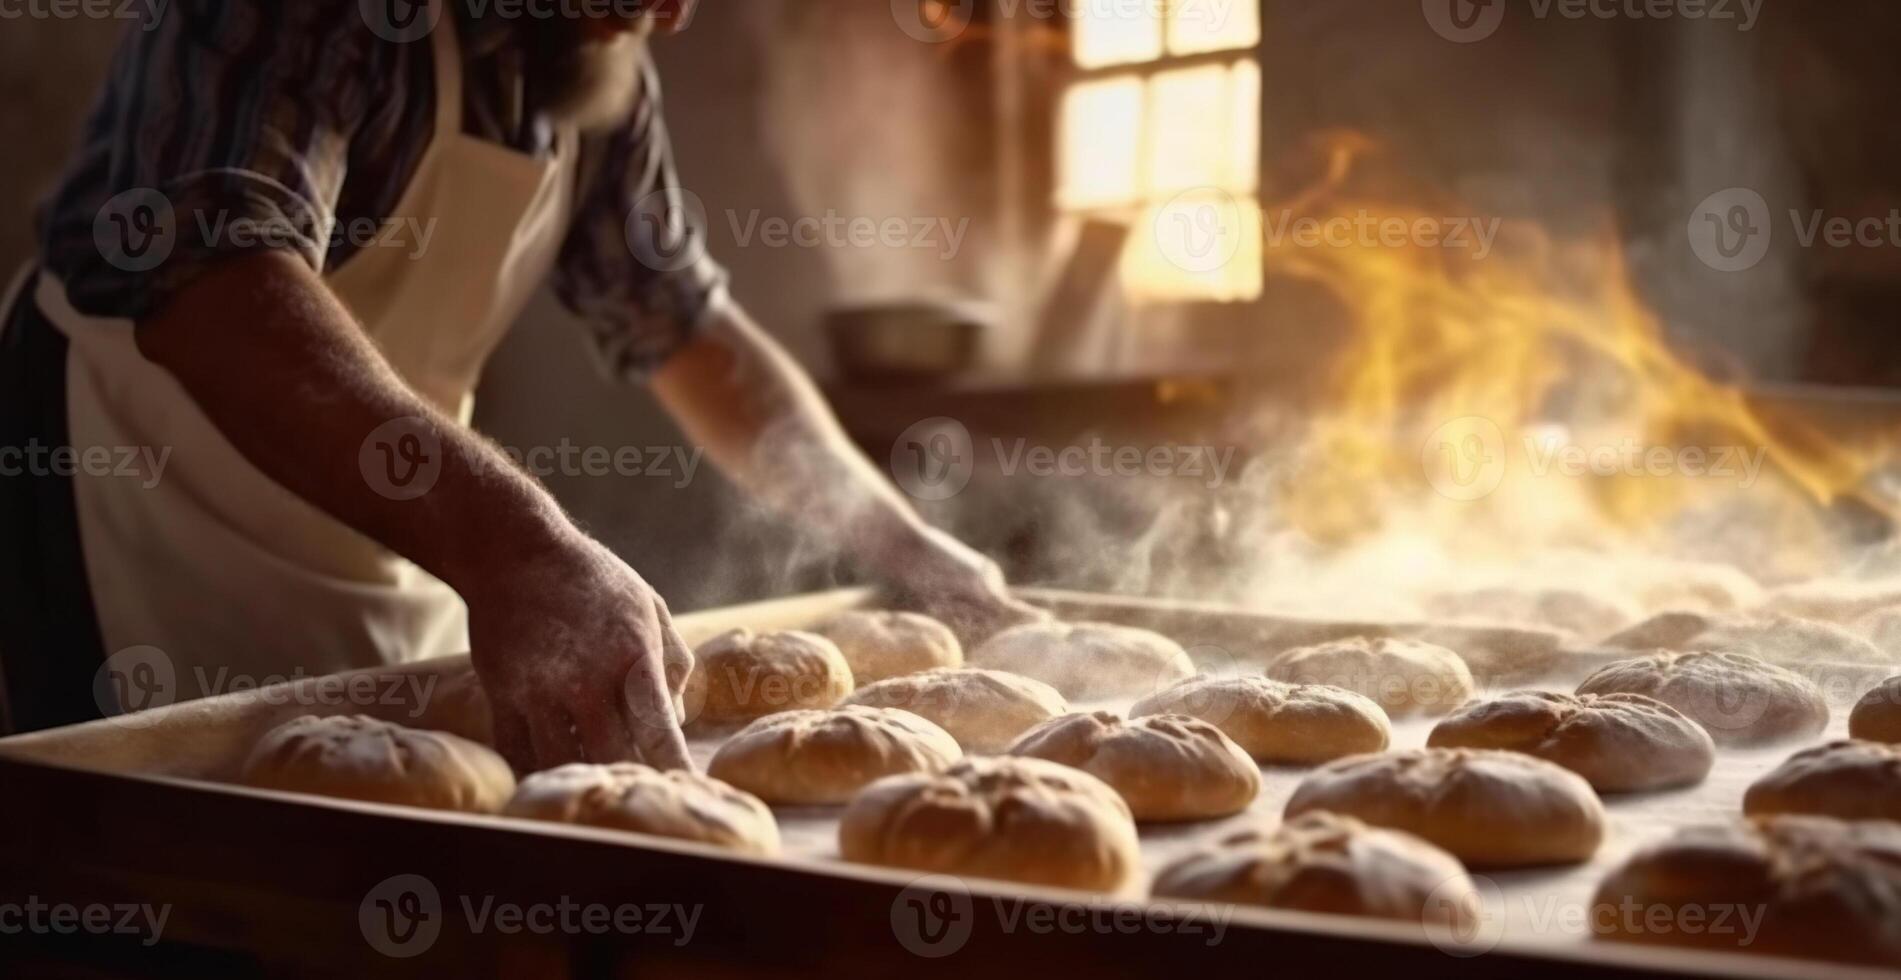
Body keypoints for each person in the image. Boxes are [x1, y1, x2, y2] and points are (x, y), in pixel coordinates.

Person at [0, 0, 1040, 769]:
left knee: (357, 850)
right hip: (136, 488)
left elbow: (681, 323)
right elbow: (216, 288)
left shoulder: (600, 63)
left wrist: (900, 540)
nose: (670, 17)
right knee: (172, 874)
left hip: (389, 523)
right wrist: (516, 542)